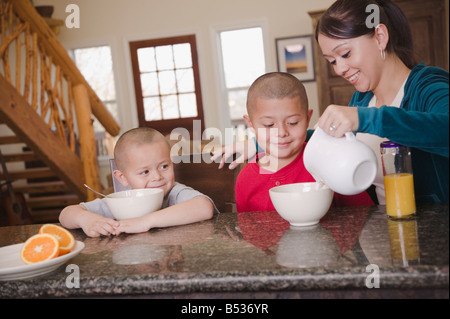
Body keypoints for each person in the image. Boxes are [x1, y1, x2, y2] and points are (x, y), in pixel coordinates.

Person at [213, 0, 449, 205]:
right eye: (332, 61)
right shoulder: (364, 99)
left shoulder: (427, 86)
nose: (341, 69)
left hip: (427, 236)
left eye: (345, 54)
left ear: (380, 37)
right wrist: (262, 143)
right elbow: (330, 137)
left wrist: (364, 119)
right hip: (378, 236)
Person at [234, 72, 373, 212]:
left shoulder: (329, 163)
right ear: (250, 124)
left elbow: (366, 217)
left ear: (307, 119)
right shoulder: (245, 180)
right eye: (269, 125)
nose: (282, 133)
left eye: (293, 123)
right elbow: (247, 231)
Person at [60, 127, 217, 237]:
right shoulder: (120, 202)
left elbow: (204, 207)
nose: (157, 177)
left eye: (164, 166)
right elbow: (66, 214)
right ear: (122, 177)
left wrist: (144, 222)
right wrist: (87, 220)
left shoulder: (174, 193)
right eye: (145, 172)